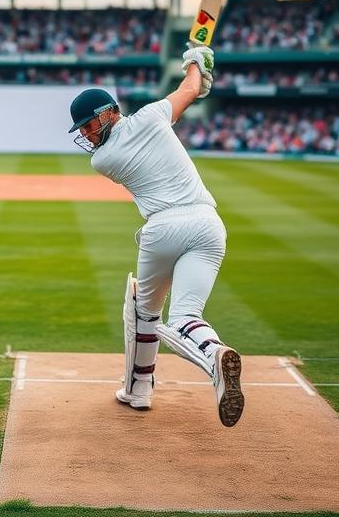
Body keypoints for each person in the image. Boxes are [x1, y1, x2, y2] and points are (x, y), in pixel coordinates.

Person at [67, 44, 244, 427]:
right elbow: (190, 90)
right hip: (209, 225)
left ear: (109, 113)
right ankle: (214, 354)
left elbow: (188, 94)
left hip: (163, 228)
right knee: (185, 316)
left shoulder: (103, 160)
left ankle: (140, 388)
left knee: (145, 312)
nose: (85, 133)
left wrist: (196, 69)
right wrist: (197, 62)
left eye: (88, 124)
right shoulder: (152, 116)